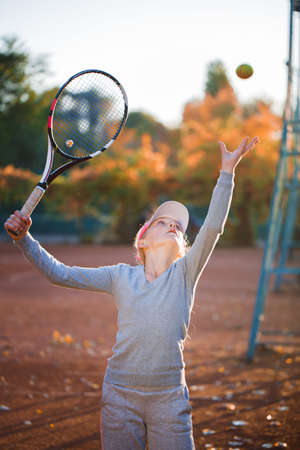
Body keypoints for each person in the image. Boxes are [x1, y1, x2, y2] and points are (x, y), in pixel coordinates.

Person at [4, 136, 259, 450]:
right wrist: (24, 239)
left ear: (184, 248)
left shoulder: (185, 274)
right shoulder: (119, 276)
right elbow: (60, 273)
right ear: (143, 241)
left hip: (169, 397)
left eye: (179, 226)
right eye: (162, 222)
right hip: (120, 396)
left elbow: (212, 227)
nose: (173, 226)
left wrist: (226, 174)